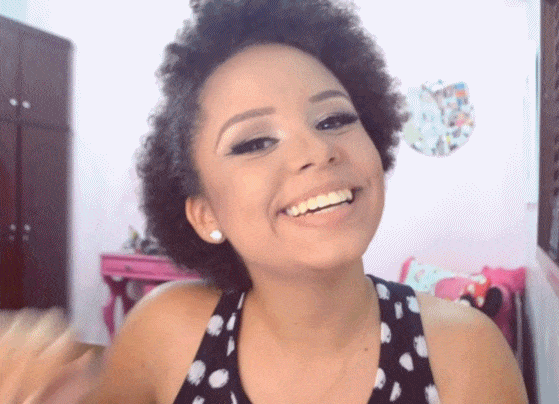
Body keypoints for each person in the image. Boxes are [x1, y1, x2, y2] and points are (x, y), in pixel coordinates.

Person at [0, 0, 528, 403]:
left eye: (335, 119)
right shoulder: (164, 333)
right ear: (205, 213)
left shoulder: (465, 353)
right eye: (254, 142)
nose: (317, 150)